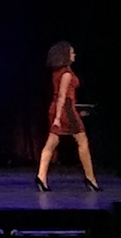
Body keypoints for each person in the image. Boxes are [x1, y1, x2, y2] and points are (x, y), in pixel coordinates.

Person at [36, 41, 101, 192]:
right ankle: (90, 178)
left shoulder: (58, 72)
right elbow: (62, 97)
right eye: (72, 53)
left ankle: (41, 176)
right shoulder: (66, 73)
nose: (74, 55)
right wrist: (59, 118)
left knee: (51, 142)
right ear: (65, 55)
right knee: (82, 141)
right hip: (65, 110)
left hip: (59, 109)